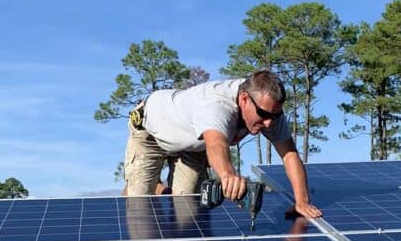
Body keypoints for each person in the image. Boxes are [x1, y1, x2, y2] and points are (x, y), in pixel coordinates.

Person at [123, 69, 322, 219]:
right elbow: (216, 143)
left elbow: (289, 154)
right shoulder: (216, 106)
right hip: (151, 132)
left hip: (193, 145)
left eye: (275, 115)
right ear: (244, 99)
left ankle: (163, 190)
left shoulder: (267, 110)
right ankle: (149, 186)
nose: (269, 122)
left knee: (188, 208)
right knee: (139, 206)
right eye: (263, 114)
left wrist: (302, 201)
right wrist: (227, 175)